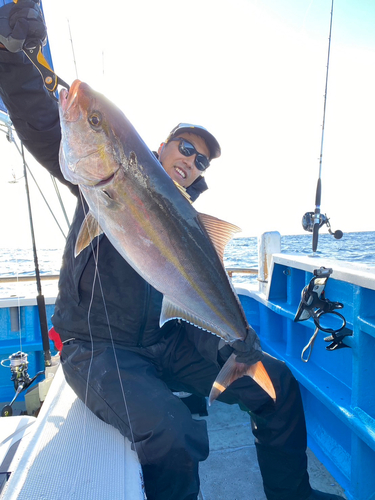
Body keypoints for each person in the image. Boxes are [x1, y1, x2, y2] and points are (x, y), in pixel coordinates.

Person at [0, 3, 345, 500]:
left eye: (201, 160)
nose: (192, 161)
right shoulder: (95, 182)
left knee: (279, 385)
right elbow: (39, 118)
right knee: (174, 433)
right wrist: (14, 56)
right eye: (185, 148)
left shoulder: (195, 229)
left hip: (165, 340)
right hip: (97, 347)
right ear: (158, 147)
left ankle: (293, 493)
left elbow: (200, 294)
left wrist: (238, 338)